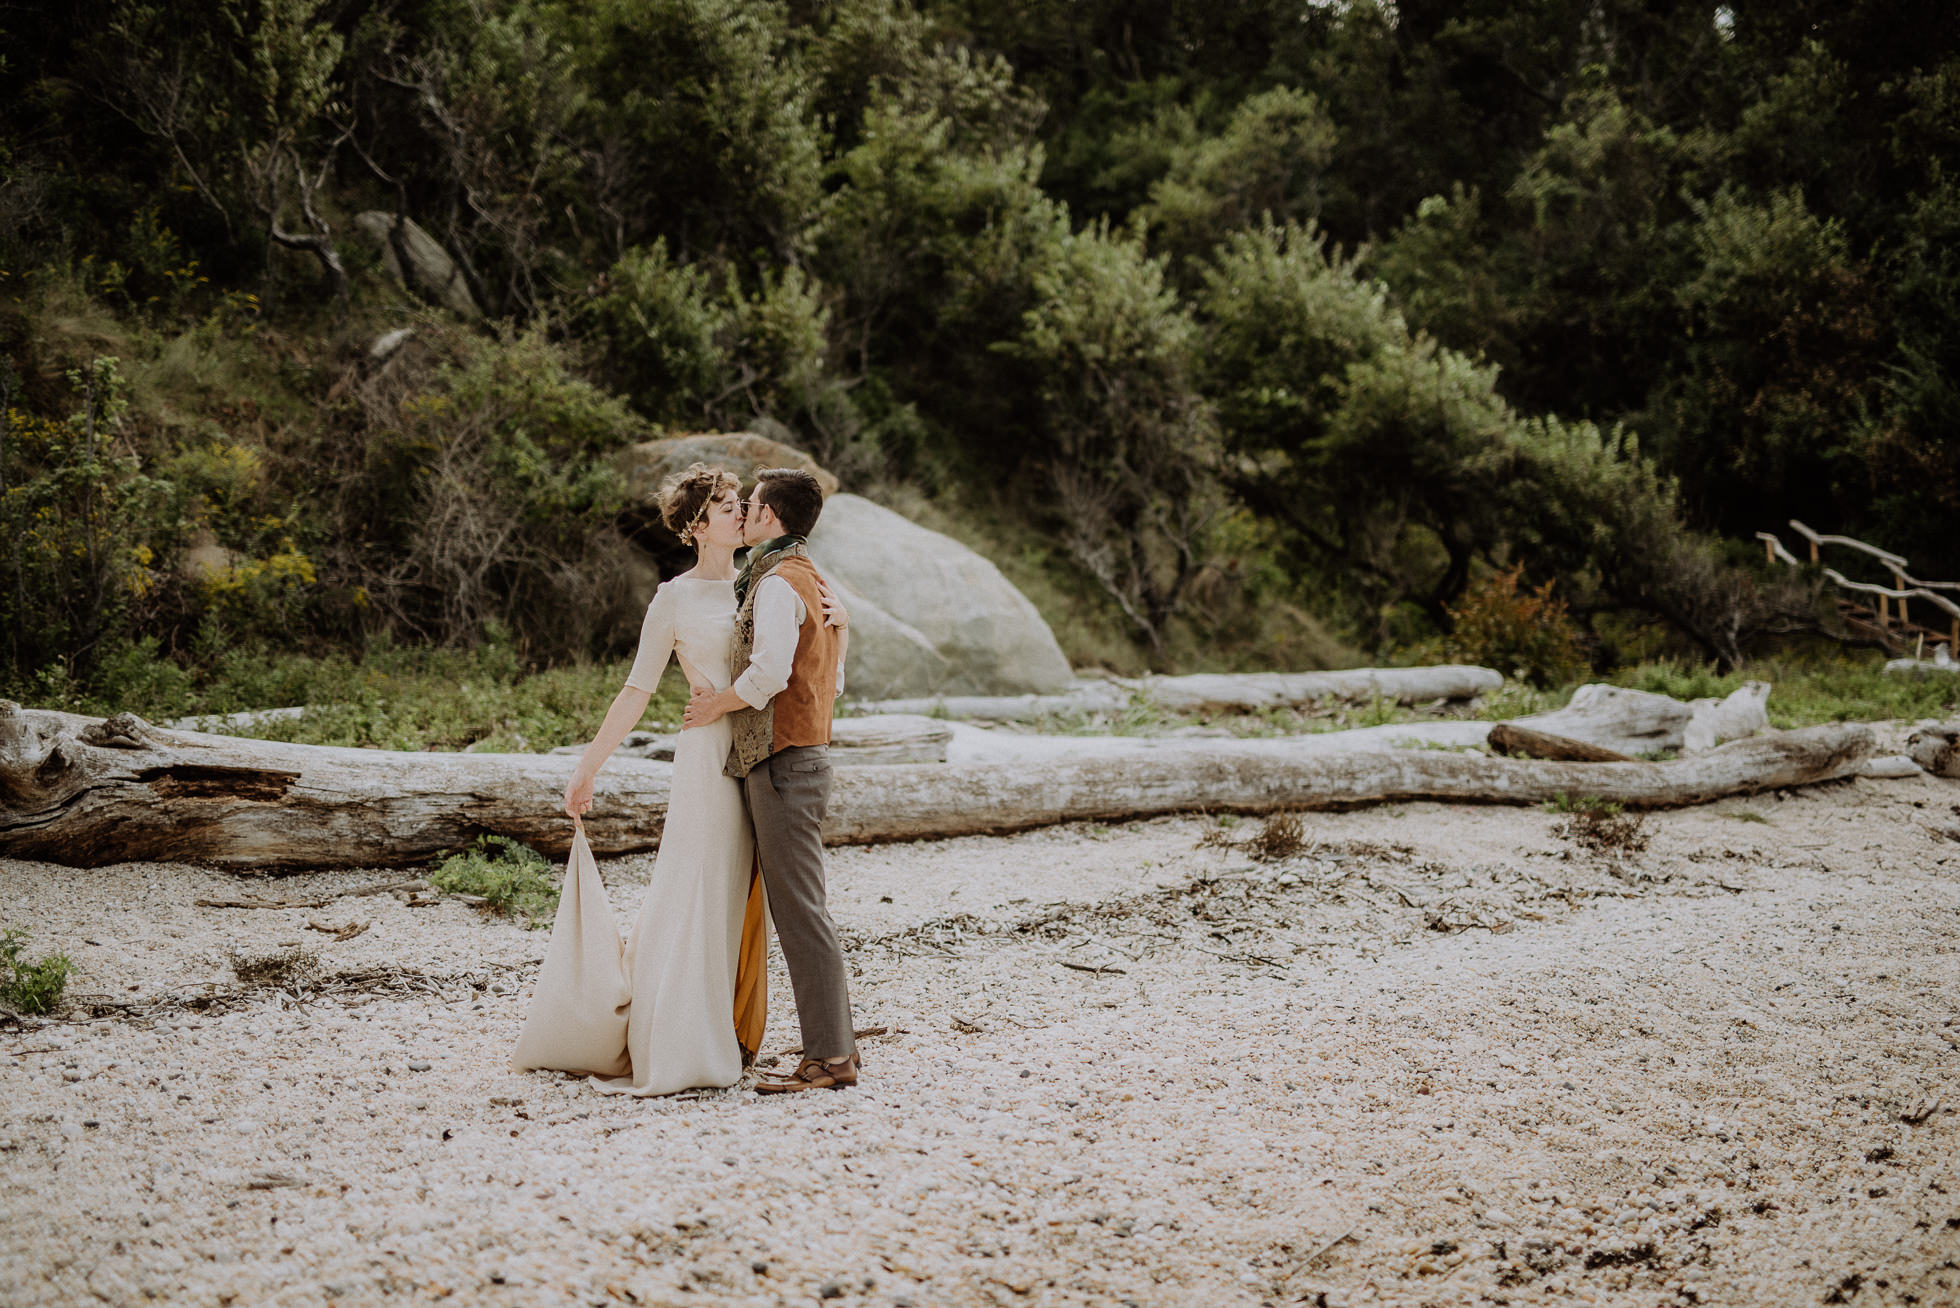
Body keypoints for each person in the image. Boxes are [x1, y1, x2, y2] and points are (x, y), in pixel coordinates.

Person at [529, 462, 843, 1096]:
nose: (740, 511)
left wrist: (841, 616)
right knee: (699, 885)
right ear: (699, 526)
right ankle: (681, 1036)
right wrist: (588, 766)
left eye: (742, 503)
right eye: (727, 505)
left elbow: (801, 656)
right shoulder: (674, 597)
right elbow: (636, 690)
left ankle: (734, 1028)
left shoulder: (764, 581)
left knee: (746, 895)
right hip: (708, 755)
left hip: (764, 753)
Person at [682, 468, 859, 1093]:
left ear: (771, 517)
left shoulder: (782, 584)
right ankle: (829, 1049)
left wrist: (717, 704)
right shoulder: (809, 581)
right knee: (795, 905)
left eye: (752, 504)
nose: (745, 511)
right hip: (796, 761)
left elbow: (772, 675)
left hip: (784, 764)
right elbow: (829, 680)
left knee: (800, 909)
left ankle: (830, 1058)